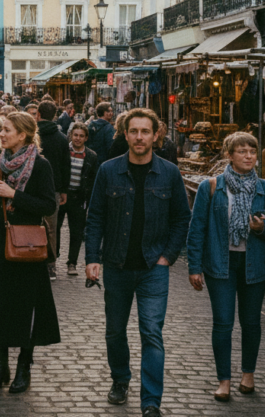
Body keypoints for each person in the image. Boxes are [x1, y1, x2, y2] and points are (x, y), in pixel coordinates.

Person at [85, 108, 191, 417]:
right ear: (125, 134)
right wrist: (92, 258)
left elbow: (181, 219)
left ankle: (151, 401)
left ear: (156, 135)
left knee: (151, 332)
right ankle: (120, 379)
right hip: (117, 264)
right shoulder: (108, 170)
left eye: (146, 131)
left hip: (152, 268)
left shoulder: (169, 172)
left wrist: (167, 257)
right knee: (115, 331)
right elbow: (96, 218)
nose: (140, 137)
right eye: (134, 131)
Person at [186, 132, 265, 403]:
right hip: (220, 263)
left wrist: (262, 227)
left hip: (256, 264)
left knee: (251, 322)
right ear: (230, 155)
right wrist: (194, 267)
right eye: (242, 151)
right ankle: (224, 380)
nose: (249, 156)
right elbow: (197, 230)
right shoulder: (212, 186)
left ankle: (248, 374)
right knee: (223, 323)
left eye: (252, 151)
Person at [0, 112, 59, 394]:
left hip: (28, 245)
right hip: (0, 240)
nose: (2, 133)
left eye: (7, 129)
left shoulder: (41, 165)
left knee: (25, 307)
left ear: (22, 134)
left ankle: (24, 366)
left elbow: (48, 205)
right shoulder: (1, 163)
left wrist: (15, 195)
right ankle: (1, 366)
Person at [60, 122, 99, 277]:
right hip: (63, 195)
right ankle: (52, 260)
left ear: (86, 138)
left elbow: (92, 179)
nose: (78, 138)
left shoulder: (91, 156)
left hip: (78, 198)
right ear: (71, 135)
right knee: (55, 229)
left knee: (76, 232)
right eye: (75, 135)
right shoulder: (63, 151)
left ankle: (72, 262)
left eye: (81, 136)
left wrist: (89, 200)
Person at [36, 101, 68, 279]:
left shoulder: (31, 135)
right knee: (51, 228)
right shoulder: (61, 138)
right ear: (55, 115)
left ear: (38, 114)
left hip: (32, 187)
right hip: (54, 188)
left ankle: (31, 257)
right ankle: (51, 265)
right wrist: (64, 190)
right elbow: (66, 166)